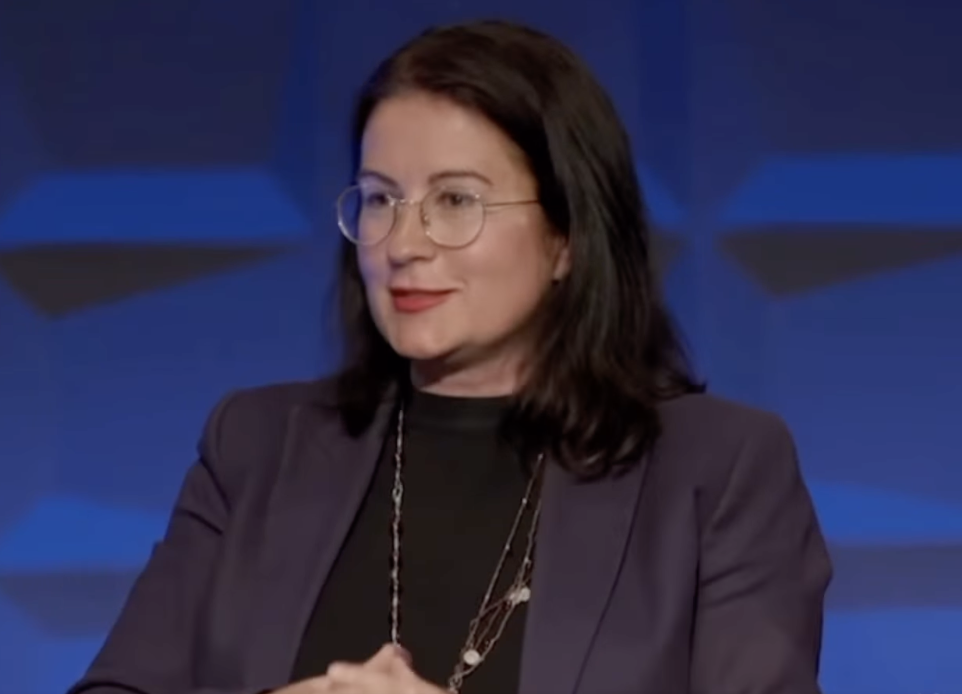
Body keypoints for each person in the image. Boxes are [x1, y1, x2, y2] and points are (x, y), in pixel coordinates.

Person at [67, 18, 831, 694]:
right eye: (379, 199)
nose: (402, 244)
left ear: (566, 236)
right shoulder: (256, 447)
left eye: (456, 200)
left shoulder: (718, 470)